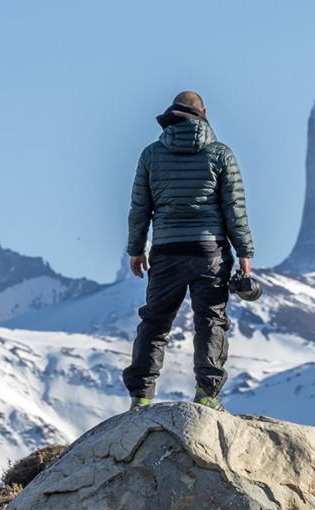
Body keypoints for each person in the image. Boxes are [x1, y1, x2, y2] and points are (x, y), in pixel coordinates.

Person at [122, 91, 254, 411]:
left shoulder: (151, 155)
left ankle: (141, 397)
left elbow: (140, 207)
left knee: (155, 323)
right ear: (204, 112)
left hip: (166, 251)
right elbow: (234, 209)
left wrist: (137, 250)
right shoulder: (221, 154)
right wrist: (245, 254)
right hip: (211, 252)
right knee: (210, 321)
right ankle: (207, 395)